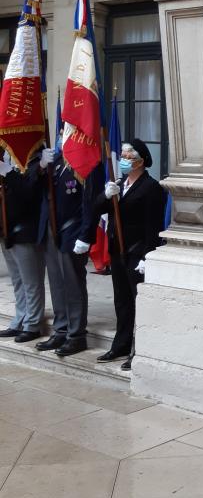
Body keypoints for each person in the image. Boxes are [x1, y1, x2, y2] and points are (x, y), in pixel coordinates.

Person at [93, 139, 164, 370]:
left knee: (137, 302)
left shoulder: (150, 187)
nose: (123, 160)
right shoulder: (119, 183)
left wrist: (147, 255)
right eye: (121, 155)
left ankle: (139, 349)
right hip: (117, 250)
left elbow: (152, 225)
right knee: (121, 301)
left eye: (127, 156)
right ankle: (120, 344)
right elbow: (97, 208)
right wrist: (106, 195)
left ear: (141, 160)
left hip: (136, 252)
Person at [35, 142, 103, 356]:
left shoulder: (87, 164)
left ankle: (76, 335)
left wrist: (86, 236)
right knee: (57, 284)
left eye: (68, 133)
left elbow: (90, 203)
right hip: (52, 231)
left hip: (73, 233)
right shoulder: (55, 163)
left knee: (73, 285)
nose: (63, 138)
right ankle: (61, 328)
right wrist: (40, 167)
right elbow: (37, 190)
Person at [0, 150, 46, 342]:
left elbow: (27, 195)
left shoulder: (33, 162)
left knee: (31, 281)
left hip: (25, 231)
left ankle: (33, 324)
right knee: (17, 280)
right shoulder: (6, 159)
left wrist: (8, 173)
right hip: (6, 230)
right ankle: (20, 319)